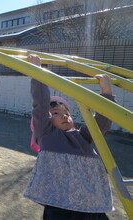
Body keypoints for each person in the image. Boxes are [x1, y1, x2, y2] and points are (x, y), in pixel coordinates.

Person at [24, 54, 115, 220]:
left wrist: (107, 92)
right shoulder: (47, 134)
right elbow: (41, 104)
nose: (64, 116)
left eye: (67, 113)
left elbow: (101, 123)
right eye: (56, 113)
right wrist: (37, 71)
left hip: (90, 203)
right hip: (60, 205)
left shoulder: (82, 136)